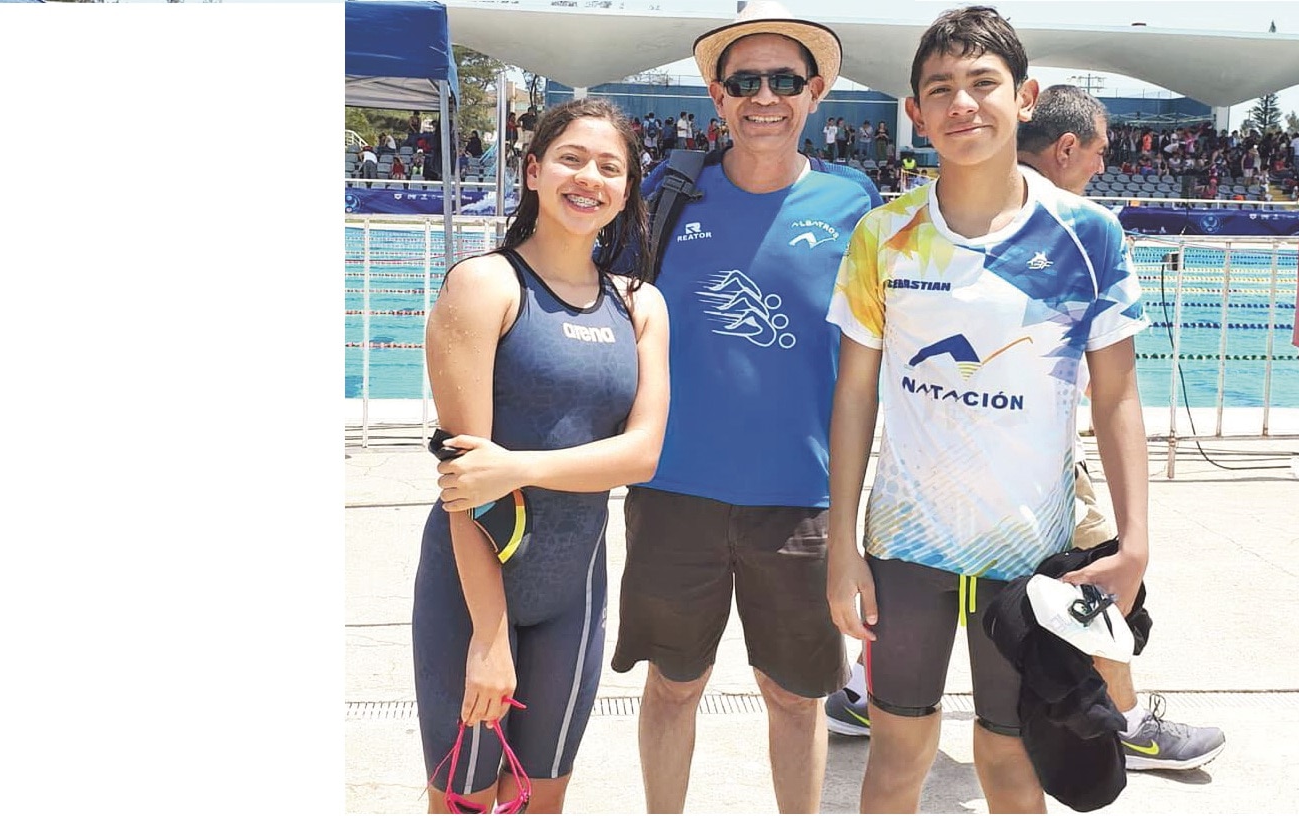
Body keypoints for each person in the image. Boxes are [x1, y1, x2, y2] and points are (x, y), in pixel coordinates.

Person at [824, 8, 1152, 811]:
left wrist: (1136, 543)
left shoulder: (1088, 234)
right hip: (906, 545)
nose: (962, 103)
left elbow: (1116, 396)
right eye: (941, 89)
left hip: (1027, 552)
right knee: (899, 751)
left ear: (1026, 96)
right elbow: (855, 393)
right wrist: (840, 546)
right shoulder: (883, 235)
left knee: (1011, 758)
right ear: (916, 112)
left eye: (983, 84)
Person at [604, 3, 881, 813]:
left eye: (784, 80)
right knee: (673, 686)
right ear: (718, 98)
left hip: (801, 502)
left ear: (816, 92)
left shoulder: (852, 204)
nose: (765, 96)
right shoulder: (666, 193)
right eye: (744, 81)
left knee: (795, 696)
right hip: (674, 489)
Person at [412, 97, 670, 814]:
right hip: (470, 594)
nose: (589, 178)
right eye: (571, 159)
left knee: (539, 800)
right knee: (464, 803)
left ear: (626, 192)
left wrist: (519, 465)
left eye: (610, 167)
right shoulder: (485, 285)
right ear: (533, 171)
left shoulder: (641, 305)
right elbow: (468, 487)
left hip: (574, 595)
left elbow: (642, 454)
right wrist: (488, 640)